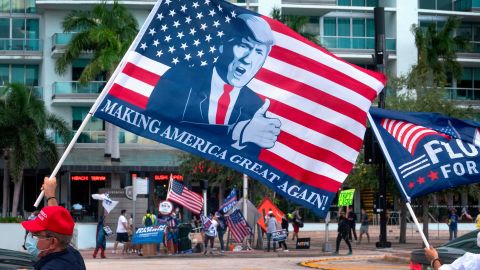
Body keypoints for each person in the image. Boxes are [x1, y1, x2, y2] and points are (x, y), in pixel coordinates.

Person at [146, 13, 280, 152]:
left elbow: (249, 158)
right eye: (243, 45)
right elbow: (154, 123)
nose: (248, 59)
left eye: (258, 52)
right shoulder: (178, 79)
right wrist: (238, 132)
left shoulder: (255, 107)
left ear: (263, 61)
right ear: (223, 45)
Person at [22, 176, 85, 270]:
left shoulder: (51, 267)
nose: (31, 239)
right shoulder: (70, 252)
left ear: (52, 242)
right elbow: (57, 221)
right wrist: (50, 195)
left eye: (36, 235)